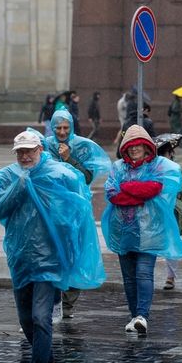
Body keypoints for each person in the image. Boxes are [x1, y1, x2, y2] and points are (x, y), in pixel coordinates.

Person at [0, 130, 105, 363]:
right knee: (26, 319)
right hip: (21, 258)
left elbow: (78, 210)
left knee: (41, 317)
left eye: (29, 150)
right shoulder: (7, 177)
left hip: (51, 259)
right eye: (20, 152)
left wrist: (71, 249)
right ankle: (47, 359)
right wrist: (21, 186)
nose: (25, 156)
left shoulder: (61, 174)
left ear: (41, 149)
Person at [101, 125, 182, 334]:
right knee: (129, 277)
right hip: (124, 231)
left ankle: (142, 315)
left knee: (143, 273)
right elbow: (112, 194)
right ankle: (135, 316)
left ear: (147, 146)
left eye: (138, 145)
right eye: (130, 146)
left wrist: (127, 188)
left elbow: (155, 188)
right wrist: (138, 194)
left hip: (149, 232)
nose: (134, 149)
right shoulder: (118, 167)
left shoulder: (158, 166)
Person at [43, 110, 111, 319]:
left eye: (66, 127)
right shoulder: (44, 145)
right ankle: (52, 301)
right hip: (51, 211)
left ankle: (68, 303)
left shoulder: (82, 146)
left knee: (74, 254)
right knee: (53, 255)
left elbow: (88, 176)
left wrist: (69, 159)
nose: (62, 132)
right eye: (58, 127)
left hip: (76, 211)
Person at [154, 133, 182, 290]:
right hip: (158, 210)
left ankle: (170, 277)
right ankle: (161, 276)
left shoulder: (176, 169)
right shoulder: (156, 169)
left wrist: (174, 193)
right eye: (169, 152)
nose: (171, 154)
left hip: (170, 211)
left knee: (170, 241)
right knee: (158, 241)